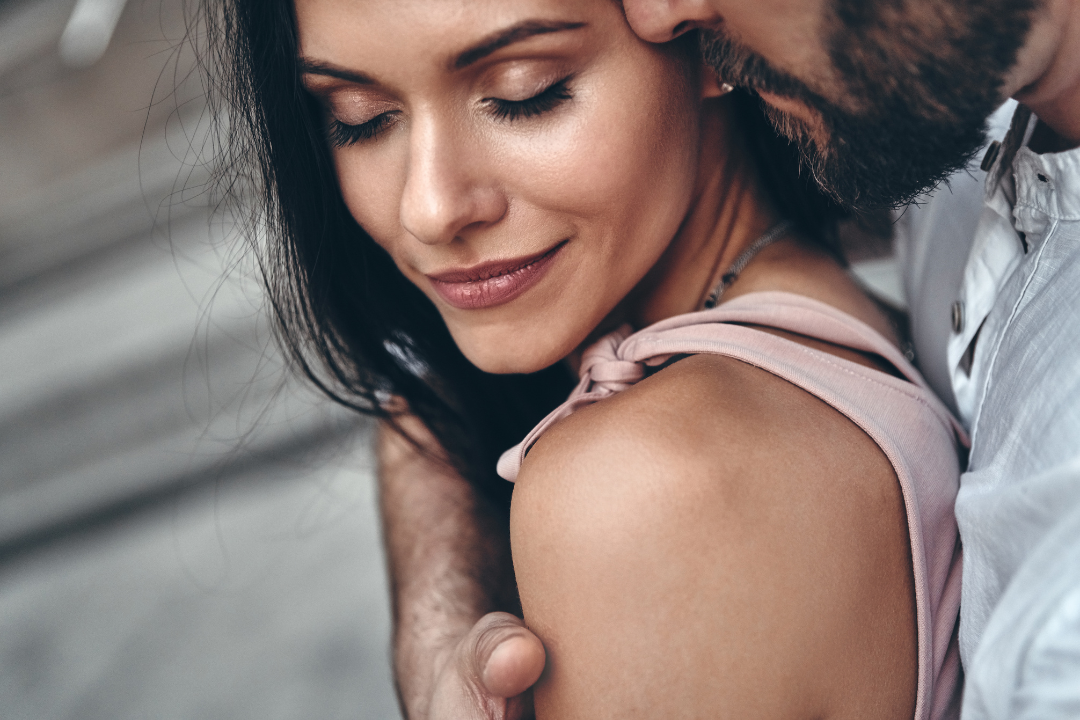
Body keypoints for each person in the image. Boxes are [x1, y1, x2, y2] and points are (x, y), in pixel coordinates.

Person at [197, 0, 966, 718]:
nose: (429, 207)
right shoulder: (811, 314)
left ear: (708, 35)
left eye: (525, 94)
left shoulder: (641, 488)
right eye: (359, 120)